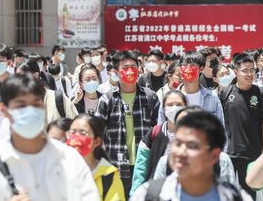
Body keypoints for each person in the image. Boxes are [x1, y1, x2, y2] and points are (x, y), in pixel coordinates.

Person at [0, 74, 99, 200]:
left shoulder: (70, 159)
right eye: (21, 105)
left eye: (36, 104)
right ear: (3, 110)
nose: (30, 111)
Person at [130, 110, 252, 201]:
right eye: (177, 143)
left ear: (214, 156)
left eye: (192, 146)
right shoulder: (147, 195)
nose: (181, 152)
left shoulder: (235, 197)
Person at [95, 50, 160, 196]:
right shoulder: (107, 100)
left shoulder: (150, 97)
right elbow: (97, 134)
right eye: (125, 68)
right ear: (116, 72)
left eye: (133, 67)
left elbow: (158, 131)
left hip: (144, 164)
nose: (130, 71)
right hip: (117, 165)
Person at [220, 53, 263, 199]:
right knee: (227, 193)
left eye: (252, 70)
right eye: (245, 70)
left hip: (253, 153)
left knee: (249, 194)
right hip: (229, 153)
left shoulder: (262, 94)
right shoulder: (226, 93)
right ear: (236, 71)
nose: (250, 74)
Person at [130, 90, 188, 195]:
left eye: (179, 104)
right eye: (170, 105)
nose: (174, 108)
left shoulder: (194, 135)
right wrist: (136, 193)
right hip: (157, 192)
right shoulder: (154, 133)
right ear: (164, 109)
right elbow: (141, 167)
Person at [67, 114, 125, 201]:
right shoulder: (57, 169)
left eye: (82, 133)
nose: (76, 137)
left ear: (97, 141)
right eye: (72, 132)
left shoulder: (109, 177)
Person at [157, 51, 224, 124]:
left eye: (192, 65)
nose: (188, 69)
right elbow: (161, 127)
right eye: (185, 65)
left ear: (201, 69)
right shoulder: (169, 97)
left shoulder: (212, 97)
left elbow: (221, 128)